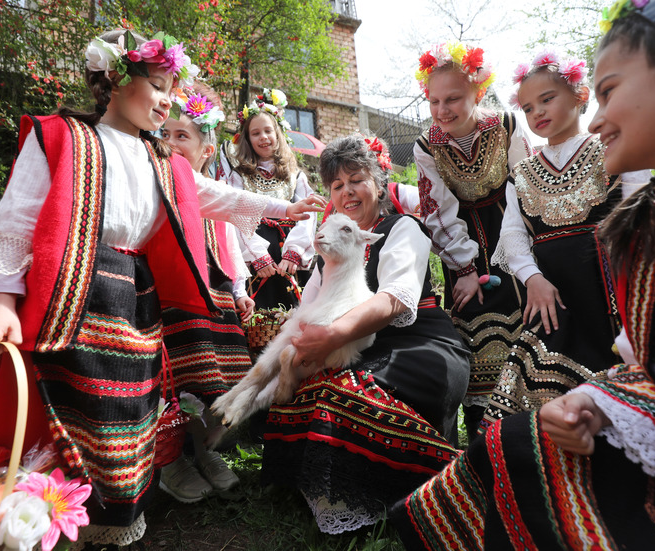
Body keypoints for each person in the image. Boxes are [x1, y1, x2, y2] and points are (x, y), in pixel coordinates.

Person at [0, 29, 324, 549]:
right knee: (62, 407)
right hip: (71, 296)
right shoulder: (63, 138)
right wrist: (1, 300)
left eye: (171, 91)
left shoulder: (159, 160)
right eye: (157, 86)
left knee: (125, 415)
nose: (166, 102)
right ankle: (38, 516)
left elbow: (209, 194)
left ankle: (100, 517)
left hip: (134, 303)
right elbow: (16, 222)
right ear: (114, 78)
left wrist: (281, 209)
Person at [391, 0, 655, 548]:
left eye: (610, 90)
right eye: (530, 105)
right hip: (540, 284)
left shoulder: (644, 219)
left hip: (598, 300)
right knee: (504, 444)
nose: (595, 118)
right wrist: (600, 405)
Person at [259, 135, 471, 535]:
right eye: (337, 186)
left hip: (420, 345)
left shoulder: (402, 227)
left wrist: (332, 336)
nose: (347, 192)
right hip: (353, 346)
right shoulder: (330, 249)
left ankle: (398, 487)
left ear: (377, 181)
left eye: (356, 179)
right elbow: (309, 311)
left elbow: (395, 299)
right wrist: (299, 350)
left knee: (341, 398)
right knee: (303, 391)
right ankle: (342, 490)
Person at [481, 50, 651, 424]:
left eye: (547, 99)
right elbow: (512, 237)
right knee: (535, 392)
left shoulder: (610, 149)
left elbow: (643, 210)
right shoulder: (521, 173)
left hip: (610, 296)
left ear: (580, 95)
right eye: (527, 108)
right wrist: (534, 280)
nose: (537, 113)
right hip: (552, 299)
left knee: (616, 378)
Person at [413, 41, 535, 442]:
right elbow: (439, 210)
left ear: (477, 93)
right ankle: (483, 442)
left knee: (523, 330)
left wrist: (523, 254)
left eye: (453, 99)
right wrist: (464, 269)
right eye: (434, 100)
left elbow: (526, 185)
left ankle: (526, 432)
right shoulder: (427, 145)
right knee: (475, 333)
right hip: (462, 247)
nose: (442, 110)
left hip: (513, 233)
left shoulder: (506, 125)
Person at [155, 81, 253, 503]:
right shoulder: (156, 183)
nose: (171, 143)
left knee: (217, 381)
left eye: (183, 136)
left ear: (206, 149)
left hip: (215, 295)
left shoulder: (215, 193)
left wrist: (240, 286)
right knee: (178, 381)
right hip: (174, 296)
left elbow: (229, 241)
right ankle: (169, 459)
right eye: (166, 134)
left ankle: (204, 450)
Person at [223, 89, 318, 313]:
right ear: (247, 139)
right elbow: (235, 214)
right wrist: (257, 255)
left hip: (288, 256)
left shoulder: (295, 175)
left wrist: (294, 252)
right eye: (255, 133)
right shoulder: (238, 176)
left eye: (268, 131)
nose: (263, 137)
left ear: (278, 135)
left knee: (293, 314)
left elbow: (308, 214)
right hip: (257, 254)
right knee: (259, 317)